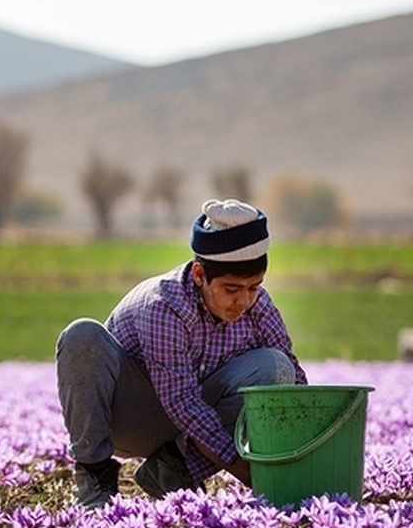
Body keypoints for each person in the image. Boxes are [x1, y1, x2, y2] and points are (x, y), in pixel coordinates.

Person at [55, 198, 307, 509]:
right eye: (231, 289)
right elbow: (181, 402)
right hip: (131, 417)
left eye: (254, 287)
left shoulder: (259, 305)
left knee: (277, 367)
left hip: (185, 433)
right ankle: (94, 478)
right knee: (82, 336)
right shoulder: (164, 305)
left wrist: (309, 451)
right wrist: (253, 476)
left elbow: (295, 381)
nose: (243, 301)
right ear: (200, 274)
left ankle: (171, 471)